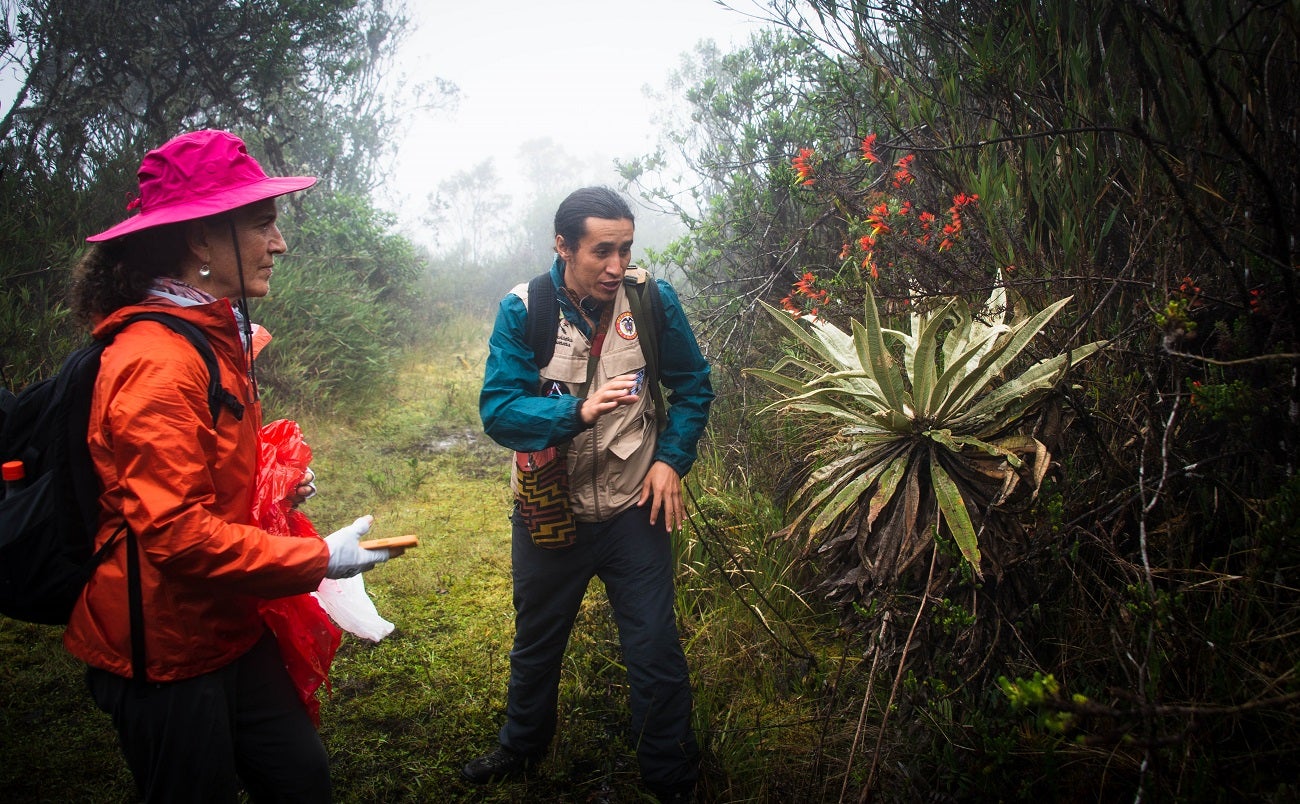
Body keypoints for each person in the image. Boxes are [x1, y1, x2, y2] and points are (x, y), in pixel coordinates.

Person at [62, 129, 398, 803]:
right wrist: (316, 560)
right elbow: (176, 535)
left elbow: (201, 473)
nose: (279, 243)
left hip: (230, 624)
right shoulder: (158, 363)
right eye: (263, 224)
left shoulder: (209, 337)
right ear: (200, 240)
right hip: (164, 651)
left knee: (301, 779)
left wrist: (273, 486)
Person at [469, 186, 714, 802]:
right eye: (602, 251)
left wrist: (671, 461)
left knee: (654, 645)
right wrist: (576, 413)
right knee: (538, 640)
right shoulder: (525, 309)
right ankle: (522, 747)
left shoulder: (651, 299)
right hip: (552, 509)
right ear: (563, 245)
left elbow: (692, 385)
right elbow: (499, 411)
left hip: (635, 507)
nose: (616, 265)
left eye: (625, 249)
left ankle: (670, 775)